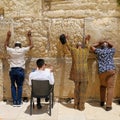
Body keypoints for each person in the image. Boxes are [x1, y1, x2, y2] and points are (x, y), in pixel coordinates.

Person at [59, 34, 91, 111]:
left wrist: (66, 39)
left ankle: (76, 105)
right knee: (83, 89)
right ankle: (81, 106)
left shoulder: (74, 50)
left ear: (76, 46)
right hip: (84, 72)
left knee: (77, 89)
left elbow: (68, 46)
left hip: (76, 72)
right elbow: (87, 45)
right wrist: (87, 39)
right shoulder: (86, 50)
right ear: (81, 46)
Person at [4, 30, 33, 106]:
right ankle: (19, 102)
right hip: (20, 70)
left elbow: (5, 46)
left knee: (13, 85)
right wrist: (29, 37)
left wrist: (8, 37)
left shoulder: (12, 50)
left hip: (13, 70)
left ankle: (14, 102)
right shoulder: (23, 50)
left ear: (15, 46)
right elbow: (32, 46)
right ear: (20, 46)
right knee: (20, 86)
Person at [90, 40, 116, 111]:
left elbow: (91, 47)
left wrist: (98, 43)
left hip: (102, 71)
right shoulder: (111, 50)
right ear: (108, 46)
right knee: (110, 88)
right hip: (111, 70)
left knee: (103, 86)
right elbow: (113, 45)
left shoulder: (99, 51)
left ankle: (102, 102)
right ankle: (108, 106)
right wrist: (107, 41)